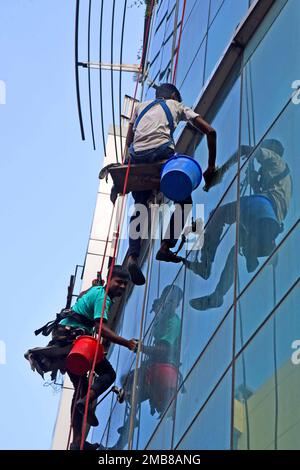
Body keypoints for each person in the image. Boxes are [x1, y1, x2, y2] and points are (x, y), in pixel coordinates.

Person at [25, 265, 138, 450]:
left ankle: (77, 443)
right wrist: (128, 343)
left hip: (66, 340)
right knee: (108, 374)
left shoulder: (96, 290)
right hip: (73, 342)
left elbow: (86, 293)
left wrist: (96, 285)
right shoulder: (103, 297)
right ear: (110, 279)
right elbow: (101, 328)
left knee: (81, 388)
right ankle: (86, 403)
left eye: (126, 285)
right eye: (119, 282)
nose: (123, 287)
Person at [125, 83, 217, 285]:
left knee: (140, 207)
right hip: (161, 154)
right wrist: (210, 167)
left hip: (137, 158)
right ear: (174, 96)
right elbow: (210, 131)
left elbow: (129, 140)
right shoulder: (177, 106)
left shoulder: (139, 107)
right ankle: (166, 246)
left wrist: (127, 164)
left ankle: (132, 257)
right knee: (184, 203)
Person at [186, 139, 292, 310]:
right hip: (267, 221)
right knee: (234, 252)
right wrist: (254, 181)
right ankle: (218, 295)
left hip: (262, 208)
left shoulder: (274, 159)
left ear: (271, 150)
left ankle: (205, 264)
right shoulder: (278, 175)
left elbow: (244, 149)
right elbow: (273, 195)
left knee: (218, 214)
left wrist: (220, 173)